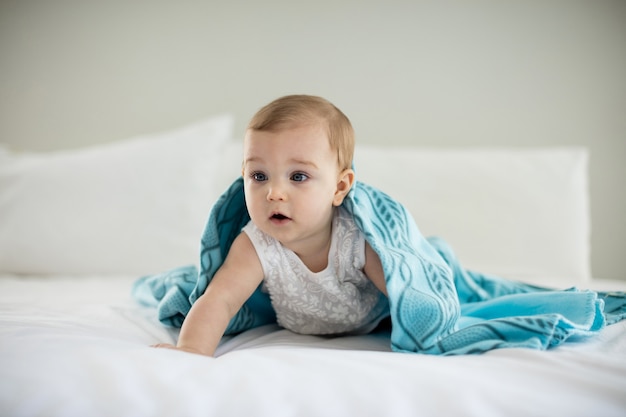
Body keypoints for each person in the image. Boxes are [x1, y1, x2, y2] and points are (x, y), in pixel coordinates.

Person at [154, 95, 390, 356]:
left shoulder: (358, 238)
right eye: (259, 176)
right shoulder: (256, 243)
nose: (274, 193)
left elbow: (403, 291)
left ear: (339, 187)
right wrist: (191, 349)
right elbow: (221, 299)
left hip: (372, 319)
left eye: (298, 176)